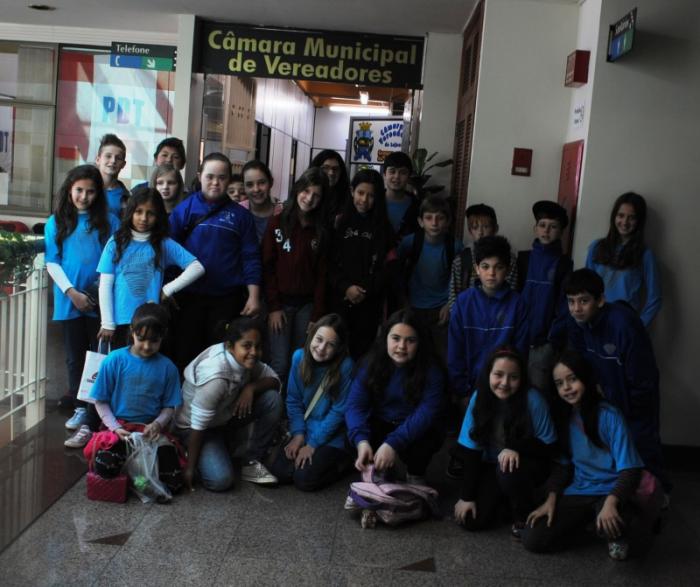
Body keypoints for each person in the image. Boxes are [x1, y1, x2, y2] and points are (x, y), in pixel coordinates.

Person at [522, 350, 661, 561]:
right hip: (580, 491)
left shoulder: (609, 415)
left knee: (633, 547)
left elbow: (630, 469)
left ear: (585, 378)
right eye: (559, 383)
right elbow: (562, 466)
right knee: (532, 538)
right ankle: (595, 527)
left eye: (572, 379)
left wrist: (611, 503)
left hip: (613, 492)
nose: (566, 387)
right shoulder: (563, 418)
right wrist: (550, 499)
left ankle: (609, 523)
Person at [562, 269, 668, 493]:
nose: (576, 308)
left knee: (643, 445)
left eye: (584, 301)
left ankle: (661, 494)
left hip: (637, 398)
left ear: (600, 300)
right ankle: (621, 494)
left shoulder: (624, 324)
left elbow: (643, 377)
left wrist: (632, 409)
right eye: (571, 301)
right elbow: (581, 362)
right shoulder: (574, 322)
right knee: (616, 451)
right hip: (606, 397)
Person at [44, 165, 119, 436]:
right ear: (69, 190)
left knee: (99, 357)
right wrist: (72, 293)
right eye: (79, 190)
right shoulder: (57, 222)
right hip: (70, 301)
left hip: (101, 302)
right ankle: (79, 407)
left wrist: (95, 292)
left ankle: (94, 411)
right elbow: (52, 262)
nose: (84, 196)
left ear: (98, 194)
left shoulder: (110, 222)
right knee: (74, 358)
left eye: (90, 191)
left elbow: (116, 259)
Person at [169, 153, 261, 371]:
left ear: (229, 180)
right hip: (188, 298)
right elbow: (168, 252)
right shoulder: (185, 209)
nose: (215, 183)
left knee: (220, 359)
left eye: (221, 177)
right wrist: (168, 289)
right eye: (210, 177)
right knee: (185, 354)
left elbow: (250, 257)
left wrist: (254, 296)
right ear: (200, 176)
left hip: (226, 300)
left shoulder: (241, 216)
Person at [453, 348, 557, 534]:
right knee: (471, 520)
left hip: (525, 465)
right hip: (491, 464)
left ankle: (522, 514)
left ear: (522, 378)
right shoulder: (479, 397)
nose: (504, 383)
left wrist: (516, 448)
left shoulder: (533, 399)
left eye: (513, 377)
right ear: (488, 374)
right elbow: (471, 449)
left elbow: (550, 446)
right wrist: (466, 497)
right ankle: (504, 502)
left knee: (508, 469)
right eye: (498, 375)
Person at [175, 317, 283, 491]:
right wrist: (189, 468)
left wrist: (251, 388)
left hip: (222, 418)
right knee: (221, 480)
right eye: (247, 346)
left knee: (272, 399)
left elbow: (276, 381)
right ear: (230, 346)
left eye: (258, 346)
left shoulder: (245, 359)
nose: (254, 352)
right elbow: (198, 423)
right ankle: (190, 451)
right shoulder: (217, 376)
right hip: (194, 429)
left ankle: (251, 461)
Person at [89, 303, 183, 492]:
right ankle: (135, 471)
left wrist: (157, 424)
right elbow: (100, 400)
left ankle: (138, 473)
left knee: (174, 482)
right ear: (132, 331)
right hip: (119, 430)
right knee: (105, 467)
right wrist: (115, 427)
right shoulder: (114, 360)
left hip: (151, 431)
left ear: (163, 336)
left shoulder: (168, 368)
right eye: (141, 339)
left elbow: (169, 407)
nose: (147, 346)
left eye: (154, 341)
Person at [345, 309, 445, 486]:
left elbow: (426, 413)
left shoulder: (432, 371)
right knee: (353, 432)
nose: (401, 346)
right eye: (396, 338)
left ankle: (415, 472)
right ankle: (379, 467)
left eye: (410, 340)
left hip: (412, 426)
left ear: (420, 343)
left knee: (431, 435)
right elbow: (355, 406)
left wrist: (392, 443)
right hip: (380, 421)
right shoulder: (370, 363)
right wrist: (361, 441)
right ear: (385, 338)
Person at [97, 188, 204, 348]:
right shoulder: (116, 242)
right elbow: (105, 284)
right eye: (138, 212)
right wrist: (107, 323)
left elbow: (197, 267)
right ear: (130, 212)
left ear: (158, 216)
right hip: (121, 321)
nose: (144, 218)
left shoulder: (162, 243)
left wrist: (168, 289)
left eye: (151, 213)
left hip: (151, 321)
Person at [269, 314, 353, 490]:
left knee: (304, 479)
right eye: (319, 339)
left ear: (338, 348)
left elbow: (339, 411)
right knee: (279, 473)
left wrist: (313, 444)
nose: (321, 348)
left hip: (332, 434)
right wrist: (298, 435)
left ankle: (345, 463)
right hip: (306, 427)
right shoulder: (299, 357)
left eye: (330, 344)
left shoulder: (345, 366)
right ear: (311, 336)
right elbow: (293, 400)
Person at [262, 167, 329, 384]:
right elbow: (268, 267)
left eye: (316, 195)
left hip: (307, 306)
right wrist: (273, 307)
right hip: (279, 304)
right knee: (280, 362)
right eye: (306, 191)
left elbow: (322, 275)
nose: (309, 198)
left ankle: (293, 404)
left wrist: (316, 315)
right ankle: (274, 404)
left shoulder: (322, 230)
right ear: (298, 189)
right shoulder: (277, 222)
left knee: (300, 360)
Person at [448, 235, 529, 400]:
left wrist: (509, 387)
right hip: (468, 390)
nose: (491, 273)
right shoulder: (463, 302)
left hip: (505, 389)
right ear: (477, 269)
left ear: (508, 270)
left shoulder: (518, 304)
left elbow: (520, 352)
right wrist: (462, 390)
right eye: (485, 266)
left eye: (498, 267)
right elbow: (455, 352)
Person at [329, 168, 395, 359]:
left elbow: (389, 267)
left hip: (369, 303)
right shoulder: (338, 223)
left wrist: (364, 290)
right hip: (339, 299)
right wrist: (346, 287)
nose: (364, 200)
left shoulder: (385, 228)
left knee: (362, 355)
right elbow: (329, 262)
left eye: (371, 195)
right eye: (360, 193)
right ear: (352, 191)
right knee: (335, 352)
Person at [399, 194, 463, 363]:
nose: (434, 223)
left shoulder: (455, 246)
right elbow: (397, 274)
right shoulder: (410, 243)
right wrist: (404, 302)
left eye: (440, 218)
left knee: (443, 356)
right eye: (429, 218)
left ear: (448, 222)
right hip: (413, 306)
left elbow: (460, 280)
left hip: (441, 309)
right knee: (413, 355)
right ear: (420, 221)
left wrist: (449, 305)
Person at [517, 201, 572, 394]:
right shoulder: (523, 259)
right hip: (518, 339)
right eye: (542, 225)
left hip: (543, 346)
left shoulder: (564, 264)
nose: (546, 230)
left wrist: (551, 341)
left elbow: (564, 307)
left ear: (561, 232)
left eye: (553, 226)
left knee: (537, 393)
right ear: (535, 228)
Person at [585, 192, 661, 327]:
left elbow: (654, 298)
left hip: (624, 323)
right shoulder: (596, 247)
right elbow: (585, 288)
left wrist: (638, 327)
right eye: (621, 215)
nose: (625, 222)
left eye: (632, 217)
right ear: (614, 216)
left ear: (639, 221)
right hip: (594, 322)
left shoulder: (645, 255)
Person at [447, 203, 518, 310]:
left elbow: (511, 293)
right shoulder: (461, 260)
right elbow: (453, 295)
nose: (480, 232)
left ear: (495, 228)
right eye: (475, 228)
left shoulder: (508, 259)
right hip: (468, 313)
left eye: (485, 227)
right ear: (470, 231)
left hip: (499, 314)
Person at [240, 160, 283, 243]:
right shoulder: (238, 212)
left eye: (261, 183)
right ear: (244, 187)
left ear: (271, 182)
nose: (256, 189)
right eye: (249, 184)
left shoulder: (284, 213)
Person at [382, 151, 419, 241]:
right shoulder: (374, 202)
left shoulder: (417, 206)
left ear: (409, 177)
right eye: (392, 171)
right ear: (384, 175)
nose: (397, 176)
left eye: (403, 172)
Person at [311, 149, 350, 223]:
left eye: (335, 169)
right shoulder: (305, 194)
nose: (331, 173)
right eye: (325, 168)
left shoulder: (347, 198)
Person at [95, 133, 129, 218]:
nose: (113, 161)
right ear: (98, 160)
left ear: (123, 164)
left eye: (118, 158)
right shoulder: (84, 189)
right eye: (108, 156)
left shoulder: (127, 197)